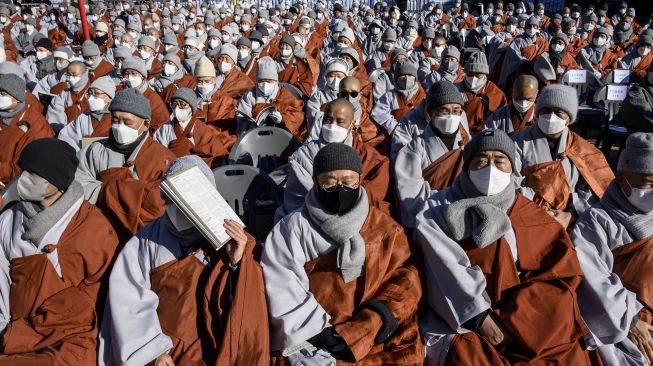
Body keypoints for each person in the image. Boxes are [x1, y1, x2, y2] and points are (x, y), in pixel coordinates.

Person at [416, 129, 593, 365]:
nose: (491, 168)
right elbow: (444, 269)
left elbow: (559, 270)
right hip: (472, 317)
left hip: (529, 312)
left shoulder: (526, 208)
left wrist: (536, 314)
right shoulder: (438, 209)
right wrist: (481, 319)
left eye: (500, 161)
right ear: (467, 167)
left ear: (512, 168)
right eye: (481, 160)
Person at [263, 143, 423, 364]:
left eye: (348, 181)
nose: (340, 189)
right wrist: (319, 331)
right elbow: (282, 282)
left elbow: (405, 277)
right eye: (329, 182)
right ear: (316, 182)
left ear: (359, 179)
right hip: (317, 335)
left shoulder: (384, 227)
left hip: (372, 331)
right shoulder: (293, 227)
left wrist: (370, 322)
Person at [106, 155, 269, 366]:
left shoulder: (229, 236)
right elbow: (128, 298)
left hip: (215, 342)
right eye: (171, 201)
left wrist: (237, 262)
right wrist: (153, 351)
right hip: (163, 343)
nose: (178, 209)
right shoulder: (147, 239)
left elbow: (248, 304)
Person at [0, 138, 119, 364]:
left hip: (72, 335)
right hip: (13, 330)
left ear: (59, 180)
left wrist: (41, 326)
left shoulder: (95, 228)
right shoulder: (8, 220)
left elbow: (96, 296)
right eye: (24, 171)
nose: (25, 179)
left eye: (35, 174)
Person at [572, 133, 653, 365]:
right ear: (621, 178)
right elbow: (593, 279)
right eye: (647, 183)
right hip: (628, 320)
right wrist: (631, 319)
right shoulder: (596, 221)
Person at [75, 88, 176, 241]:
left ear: (145, 124)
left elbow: (158, 205)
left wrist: (119, 194)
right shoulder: (95, 150)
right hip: (95, 227)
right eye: (115, 120)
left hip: (141, 237)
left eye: (127, 122)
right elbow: (76, 181)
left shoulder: (163, 158)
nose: (119, 126)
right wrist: (105, 193)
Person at [513, 84, 614, 229]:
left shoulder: (582, 149)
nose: (551, 117)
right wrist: (537, 210)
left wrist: (571, 215)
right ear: (538, 113)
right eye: (546, 111)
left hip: (571, 221)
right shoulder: (518, 142)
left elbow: (594, 190)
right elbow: (510, 182)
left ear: (568, 118)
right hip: (526, 214)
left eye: (559, 112)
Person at [276, 98, 389, 221]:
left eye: (340, 122)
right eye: (328, 120)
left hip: (355, 218)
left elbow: (375, 193)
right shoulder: (303, 155)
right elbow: (300, 196)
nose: (332, 126)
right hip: (310, 217)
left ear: (352, 125)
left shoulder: (368, 156)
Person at [394, 80, 470, 228]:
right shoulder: (413, 149)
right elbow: (412, 200)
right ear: (430, 112)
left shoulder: (466, 143)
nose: (450, 116)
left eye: (456, 111)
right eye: (444, 111)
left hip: (464, 219)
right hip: (431, 221)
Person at [154, 88, 229, 168]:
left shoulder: (202, 129)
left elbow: (214, 151)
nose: (177, 108)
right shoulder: (164, 129)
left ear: (191, 107)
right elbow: (158, 153)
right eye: (174, 104)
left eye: (182, 104)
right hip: (172, 168)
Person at [0, 73, 53, 185]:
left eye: (2, 94)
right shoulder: (2, 114)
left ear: (17, 97)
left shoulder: (35, 124)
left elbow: (23, 167)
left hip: (13, 184)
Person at [236, 56, 305, 140]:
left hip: (279, 137)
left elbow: (297, 115)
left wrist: (282, 119)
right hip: (254, 137)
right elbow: (242, 117)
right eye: (261, 81)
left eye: (269, 81)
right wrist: (251, 127)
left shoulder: (284, 94)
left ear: (275, 80)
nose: (265, 84)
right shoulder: (250, 94)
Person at [58, 76, 116, 151]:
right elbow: (66, 136)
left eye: (96, 94)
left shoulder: (116, 118)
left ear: (109, 98)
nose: (91, 97)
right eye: (89, 93)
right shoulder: (83, 117)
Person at [457, 51, 507, 134]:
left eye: (478, 75)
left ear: (485, 74)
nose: (473, 78)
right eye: (470, 74)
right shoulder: (456, 89)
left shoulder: (495, 93)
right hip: (460, 133)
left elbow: (501, 120)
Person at [119, 56, 169, 131]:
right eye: (126, 74)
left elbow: (161, 125)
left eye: (134, 73)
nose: (130, 77)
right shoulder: (119, 92)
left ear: (142, 76)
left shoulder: (152, 98)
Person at [46, 61, 92, 132]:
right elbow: (55, 112)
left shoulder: (92, 92)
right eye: (69, 75)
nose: (70, 78)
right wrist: (63, 131)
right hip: (64, 131)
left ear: (84, 74)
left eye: (74, 75)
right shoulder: (63, 93)